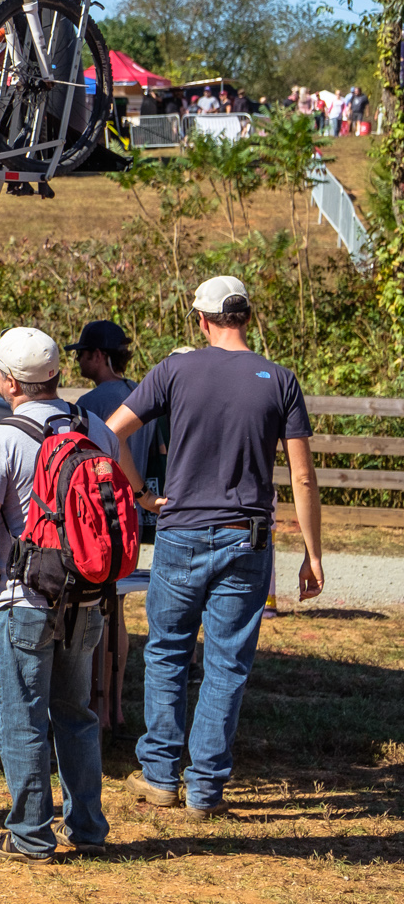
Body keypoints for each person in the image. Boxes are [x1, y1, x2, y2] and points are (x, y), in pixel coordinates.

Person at [102, 275, 326, 819]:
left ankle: (159, 776)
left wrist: (141, 495)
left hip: (180, 531)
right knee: (227, 665)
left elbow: (112, 433)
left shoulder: (175, 369)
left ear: (201, 320)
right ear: (246, 318)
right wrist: (313, 553)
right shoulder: (279, 379)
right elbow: (302, 478)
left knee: (167, 652)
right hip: (246, 539)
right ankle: (205, 790)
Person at [0, 327, 122, 861]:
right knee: (76, 714)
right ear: (54, 375)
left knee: (18, 719)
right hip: (86, 599)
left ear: (10, 382)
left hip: (23, 601)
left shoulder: (1, 438)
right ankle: (89, 830)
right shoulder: (95, 427)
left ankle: (30, 834)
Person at [67, 321, 154, 476]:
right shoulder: (142, 392)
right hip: (141, 497)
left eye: (80, 354)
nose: (77, 360)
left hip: (107, 497)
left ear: (98, 355)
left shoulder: (89, 403)